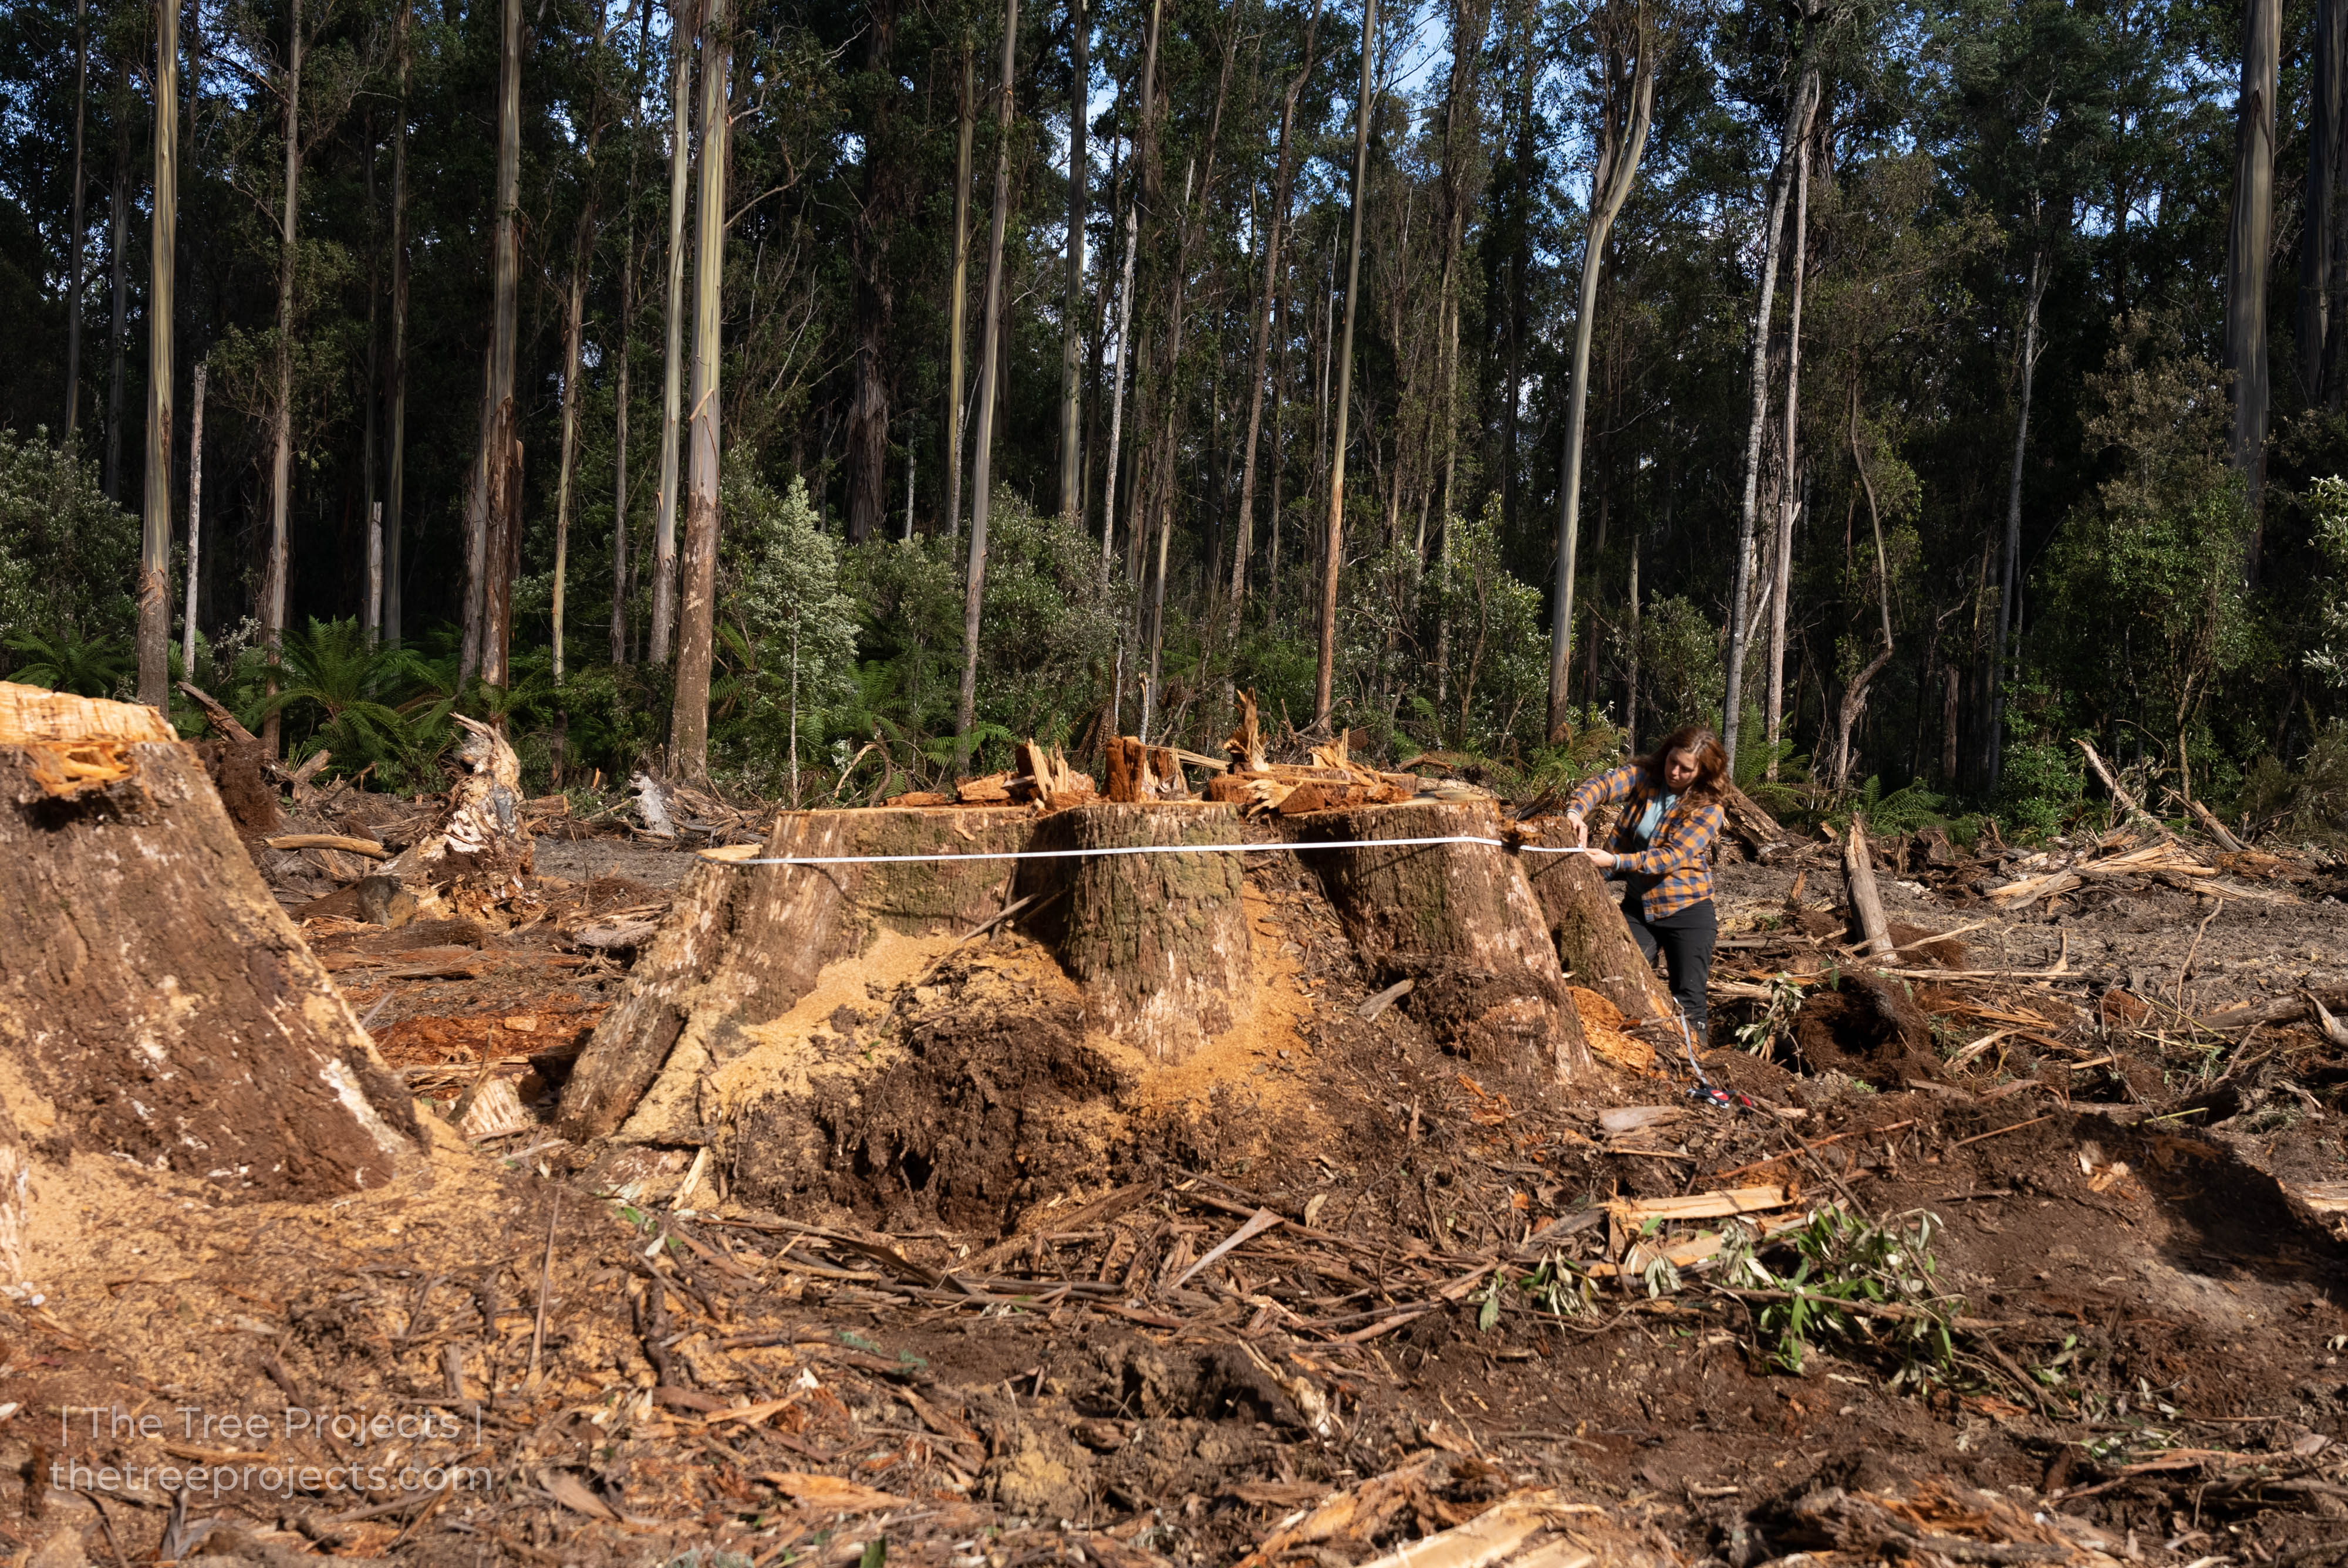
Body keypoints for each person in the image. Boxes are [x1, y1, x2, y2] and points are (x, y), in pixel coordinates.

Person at [1561, 725, 1729, 1045]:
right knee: (1624, 978)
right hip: (1639, 907)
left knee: (1688, 998)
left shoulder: (1709, 808)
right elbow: (1603, 785)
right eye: (1671, 762)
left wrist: (1615, 862)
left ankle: (1698, 1065)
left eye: (1685, 769)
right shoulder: (1646, 776)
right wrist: (1575, 812)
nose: (1675, 772)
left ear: (1702, 771)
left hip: (1688, 912)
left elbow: (1671, 857)